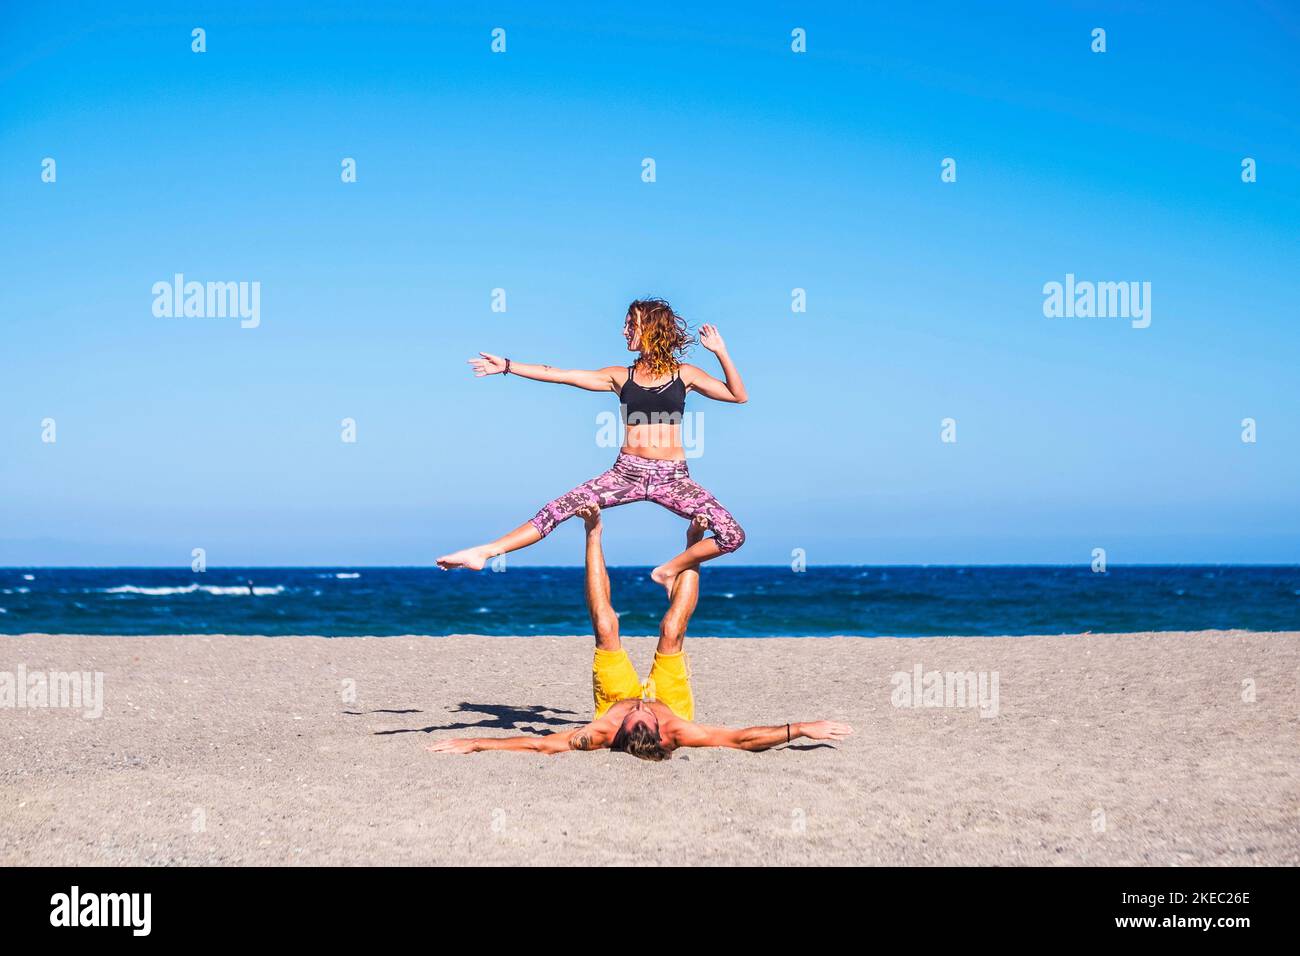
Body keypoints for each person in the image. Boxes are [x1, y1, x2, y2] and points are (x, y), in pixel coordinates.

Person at [428, 506, 852, 761]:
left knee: (606, 624)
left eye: (636, 715)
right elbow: (742, 740)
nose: (641, 706)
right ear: (658, 730)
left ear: (624, 729)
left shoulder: (599, 733)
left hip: (610, 693)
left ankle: (593, 533)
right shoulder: (680, 731)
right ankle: (694, 543)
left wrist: (476, 743)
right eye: (642, 715)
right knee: (672, 629)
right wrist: (801, 728)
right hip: (676, 699)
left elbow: (540, 747)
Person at [435, 298, 747, 599]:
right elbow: (561, 375)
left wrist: (721, 352)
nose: (624, 330)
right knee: (556, 510)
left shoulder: (685, 374)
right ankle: (483, 552)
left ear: (649, 327)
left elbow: (737, 395)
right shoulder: (619, 376)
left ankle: (667, 570)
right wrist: (507, 365)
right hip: (626, 474)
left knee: (733, 535)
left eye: (630, 324)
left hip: (674, 479)